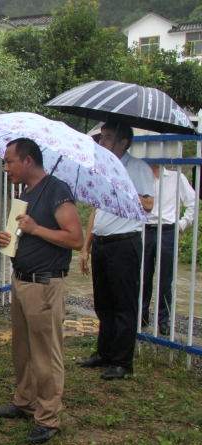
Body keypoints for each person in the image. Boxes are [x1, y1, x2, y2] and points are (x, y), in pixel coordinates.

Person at [0, 138, 83, 444]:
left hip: (45, 284)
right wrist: (11, 240)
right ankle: (25, 402)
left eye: (9, 161)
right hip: (22, 281)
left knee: (46, 354)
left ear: (28, 161)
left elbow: (75, 239)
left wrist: (35, 229)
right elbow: (24, 235)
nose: (6, 168)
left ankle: (48, 418)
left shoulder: (57, 190)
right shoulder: (27, 193)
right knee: (23, 350)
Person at [78, 121, 154, 380]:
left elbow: (148, 204)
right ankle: (105, 353)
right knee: (104, 303)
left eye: (108, 138)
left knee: (124, 305)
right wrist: (86, 247)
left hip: (124, 244)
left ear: (123, 142)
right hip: (102, 243)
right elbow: (96, 211)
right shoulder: (103, 169)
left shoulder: (137, 168)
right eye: (101, 138)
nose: (102, 143)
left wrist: (121, 187)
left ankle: (123, 362)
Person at [141, 164, 196, 336]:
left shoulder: (176, 177)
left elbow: (192, 203)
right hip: (145, 229)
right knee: (143, 276)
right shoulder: (141, 176)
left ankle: (163, 319)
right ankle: (142, 316)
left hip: (167, 230)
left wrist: (181, 225)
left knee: (165, 279)